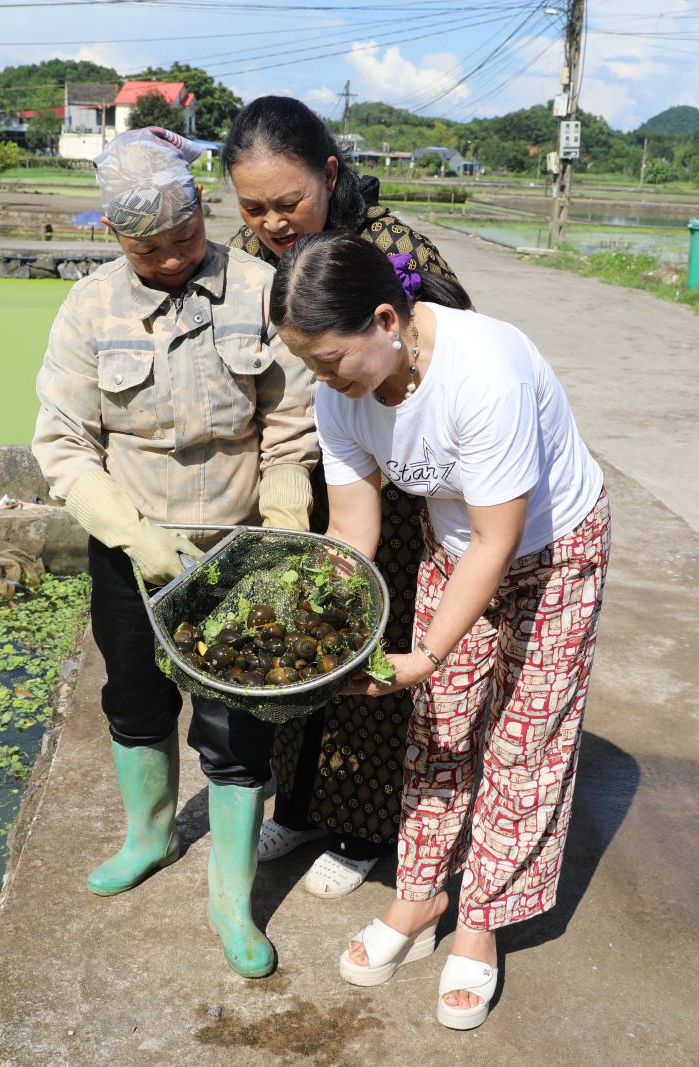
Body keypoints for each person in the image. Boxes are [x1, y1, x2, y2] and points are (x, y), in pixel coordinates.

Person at [270, 231, 611, 1030]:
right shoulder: (340, 392)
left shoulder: (484, 370)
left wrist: (424, 654)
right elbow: (353, 527)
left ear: (387, 320)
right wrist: (325, 627)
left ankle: (480, 919)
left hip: (553, 551)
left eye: (330, 359)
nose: (322, 379)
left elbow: (499, 539)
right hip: (455, 544)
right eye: (307, 362)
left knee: (523, 739)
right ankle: (421, 896)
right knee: (439, 727)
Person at [31, 128, 317, 979]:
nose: (170, 260)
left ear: (203, 212)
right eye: (147, 249)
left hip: (239, 549)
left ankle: (232, 896)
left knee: (237, 726)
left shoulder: (261, 292)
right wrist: (134, 536)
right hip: (133, 545)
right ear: (117, 239)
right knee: (135, 698)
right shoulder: (89, 308)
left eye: (185, 239)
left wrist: (282, 523)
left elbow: (289, 428)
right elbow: (65, 444)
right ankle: (149, 835)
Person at [223, 94, 458, 900]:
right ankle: (297, 803)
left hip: (391, 494)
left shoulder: (393, 251)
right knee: (300, 639)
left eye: (287, 202)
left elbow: (445, 363)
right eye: (252, 207)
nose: (271, 222)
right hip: (297, 481)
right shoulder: (244, 255)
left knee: (370, 647)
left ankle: (363, 826)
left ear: (329, 173)